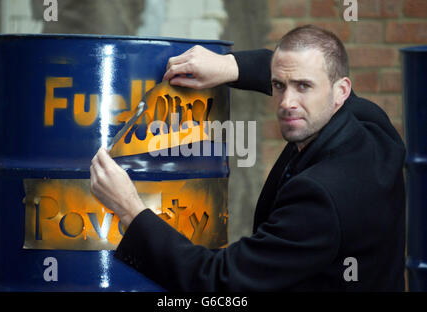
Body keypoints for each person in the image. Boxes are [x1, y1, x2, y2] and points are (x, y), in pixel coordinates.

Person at [90, 25, 406, 291]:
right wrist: (230, 67)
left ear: (341, 92)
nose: (287, 102)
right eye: (278, 86)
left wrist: (131, 210)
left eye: (303, 87)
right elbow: (298, 73)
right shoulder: (373, 126)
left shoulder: (320, 198)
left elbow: (220, 280)